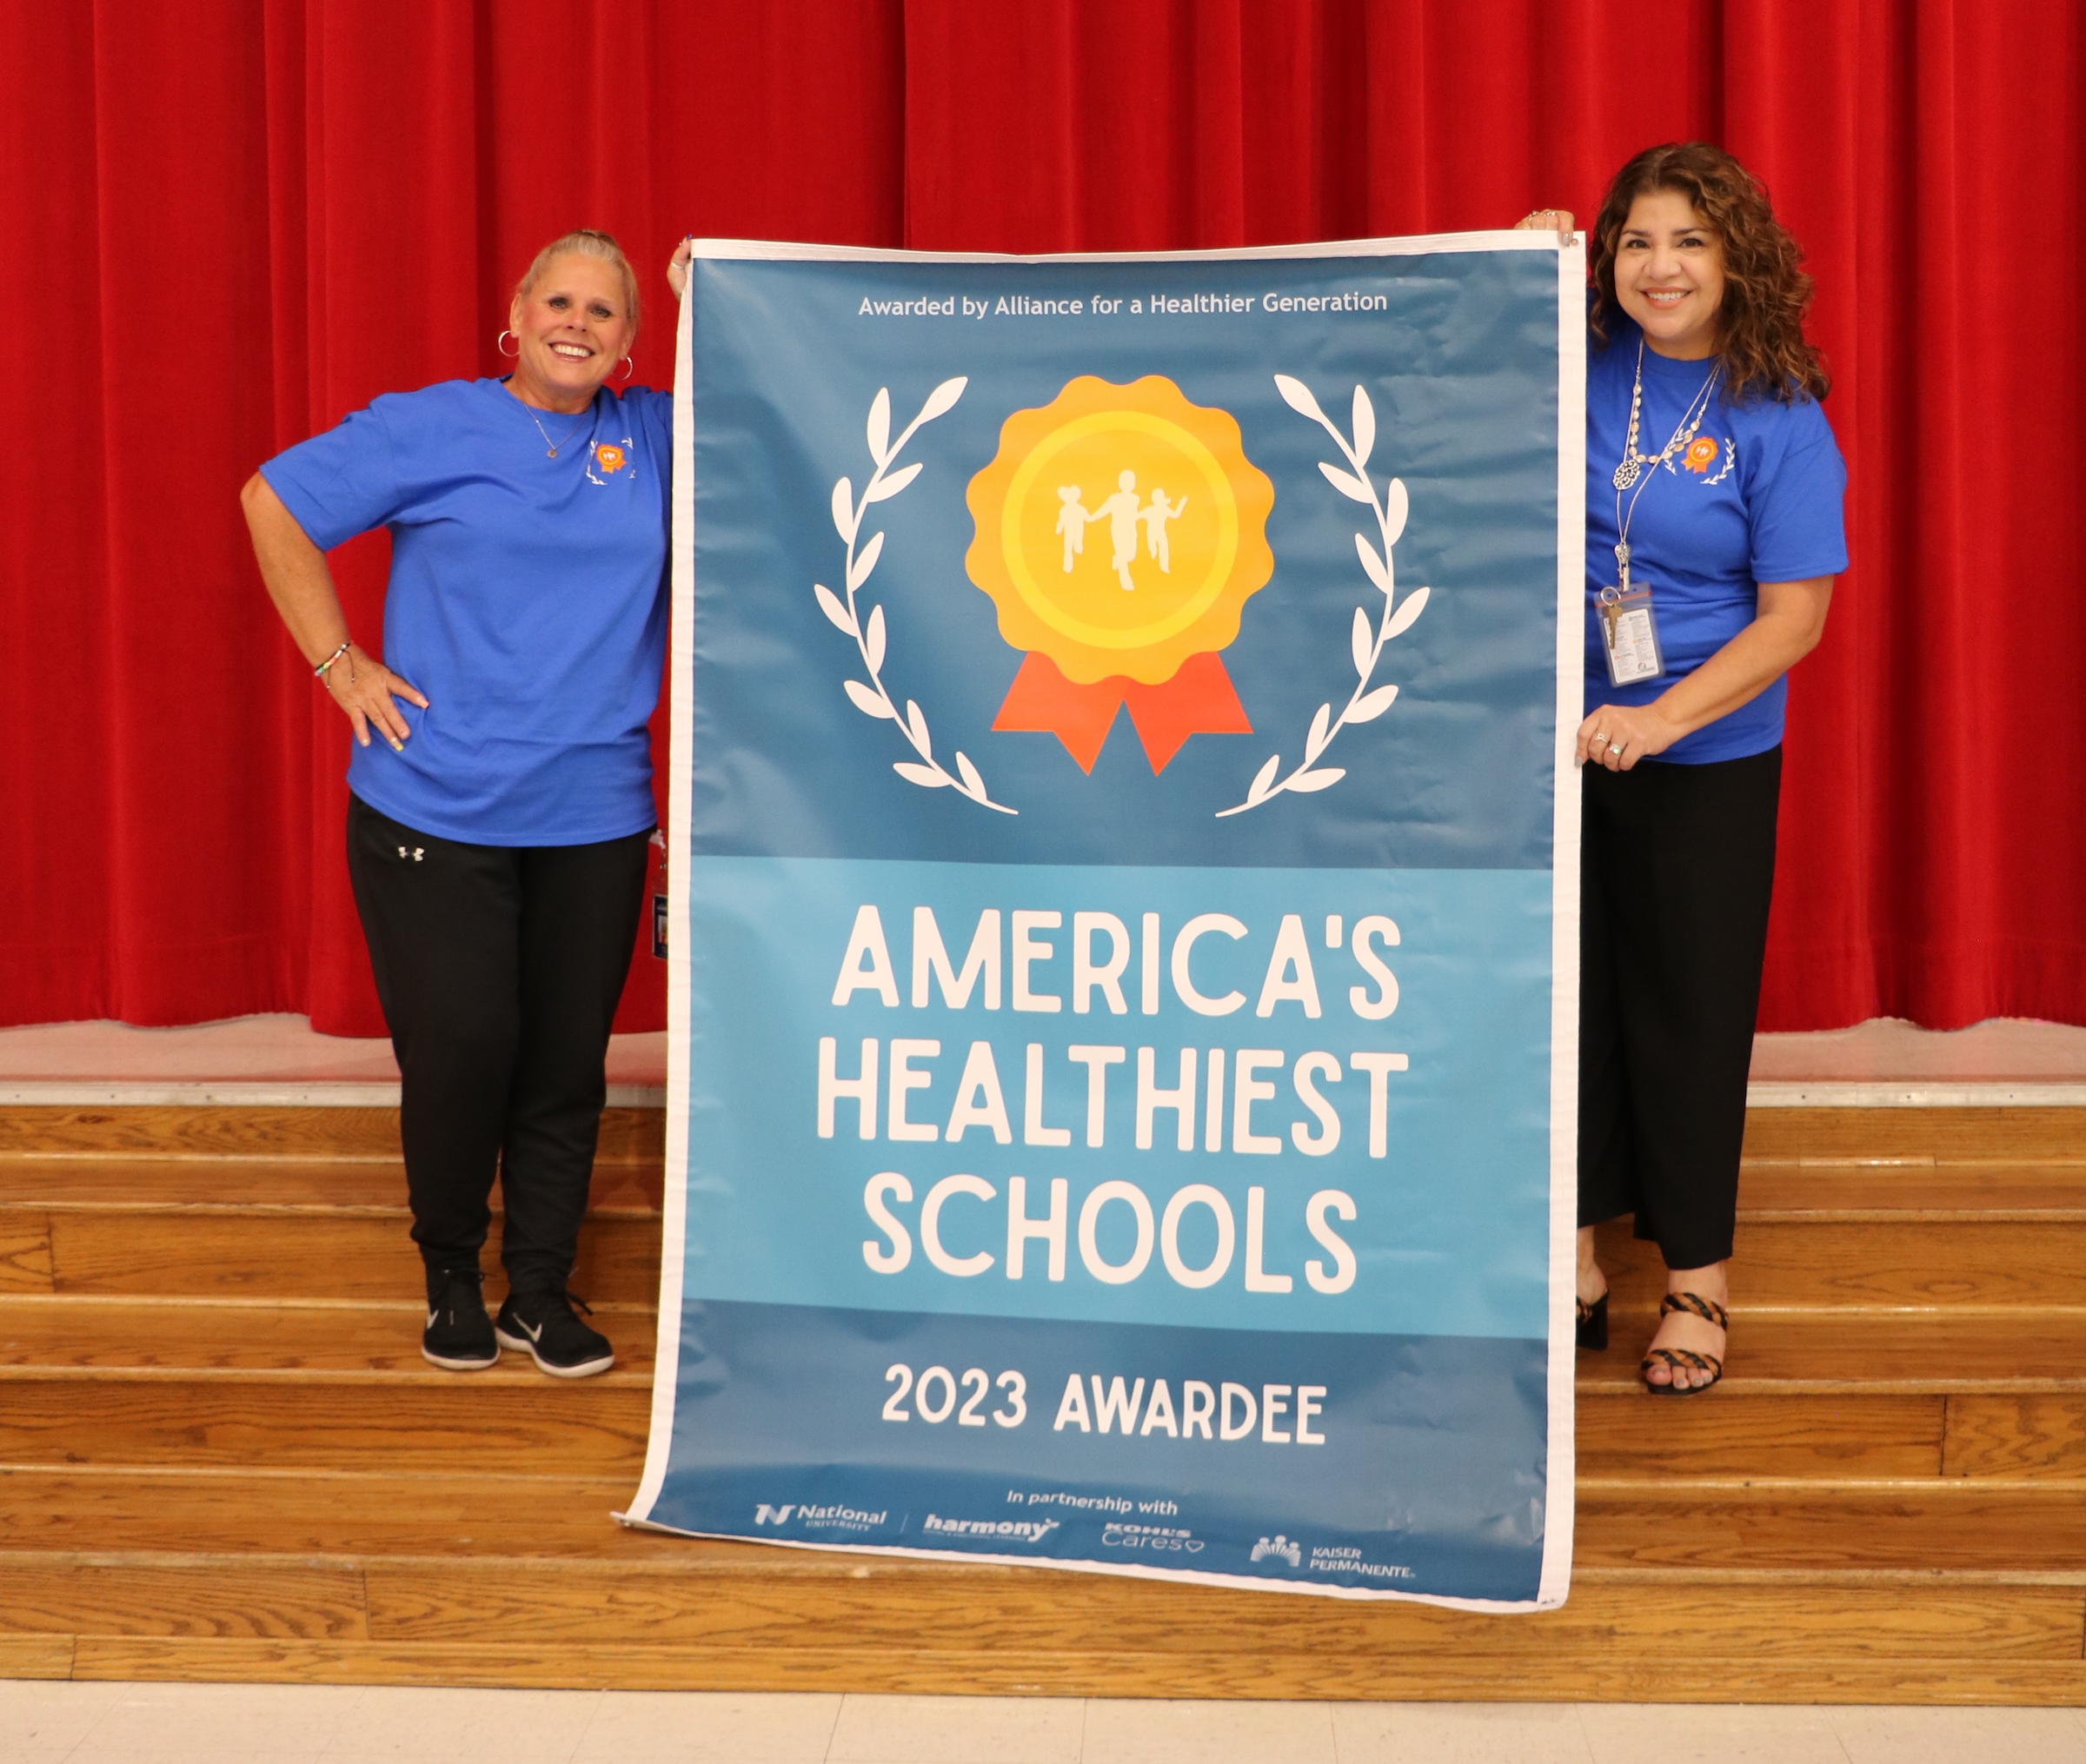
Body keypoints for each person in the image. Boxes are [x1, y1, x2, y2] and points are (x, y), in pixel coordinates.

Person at [242, 229, 695, 1378]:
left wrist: (723, 295)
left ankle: (539, 1290)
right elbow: (272, 500)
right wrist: (340, 662)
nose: (577, 325)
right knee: (463, 1050)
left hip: (592, 813)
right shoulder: (436, 425)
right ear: (518, 309)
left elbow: (781, 417)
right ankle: (451, 1266)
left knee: (563, 1060)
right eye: (560, 301)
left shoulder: (654, 437)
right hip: (431, 808)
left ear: (631, 341)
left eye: (604, 312)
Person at [1518, 144, 1846, 1393]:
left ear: (1736, 260)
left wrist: (1657, 720)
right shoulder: (1576, 361)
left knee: (1688, 1011)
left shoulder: (1778, 414)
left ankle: (1699, 1280)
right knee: (1571, 1004)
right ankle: (1586, 1261)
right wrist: (1520, 262)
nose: (1661, 267)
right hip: (1554, 741)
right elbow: (1443, 385)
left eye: (1691, 243)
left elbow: (1793, 620)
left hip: (1703, 748)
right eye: (1637, 241)